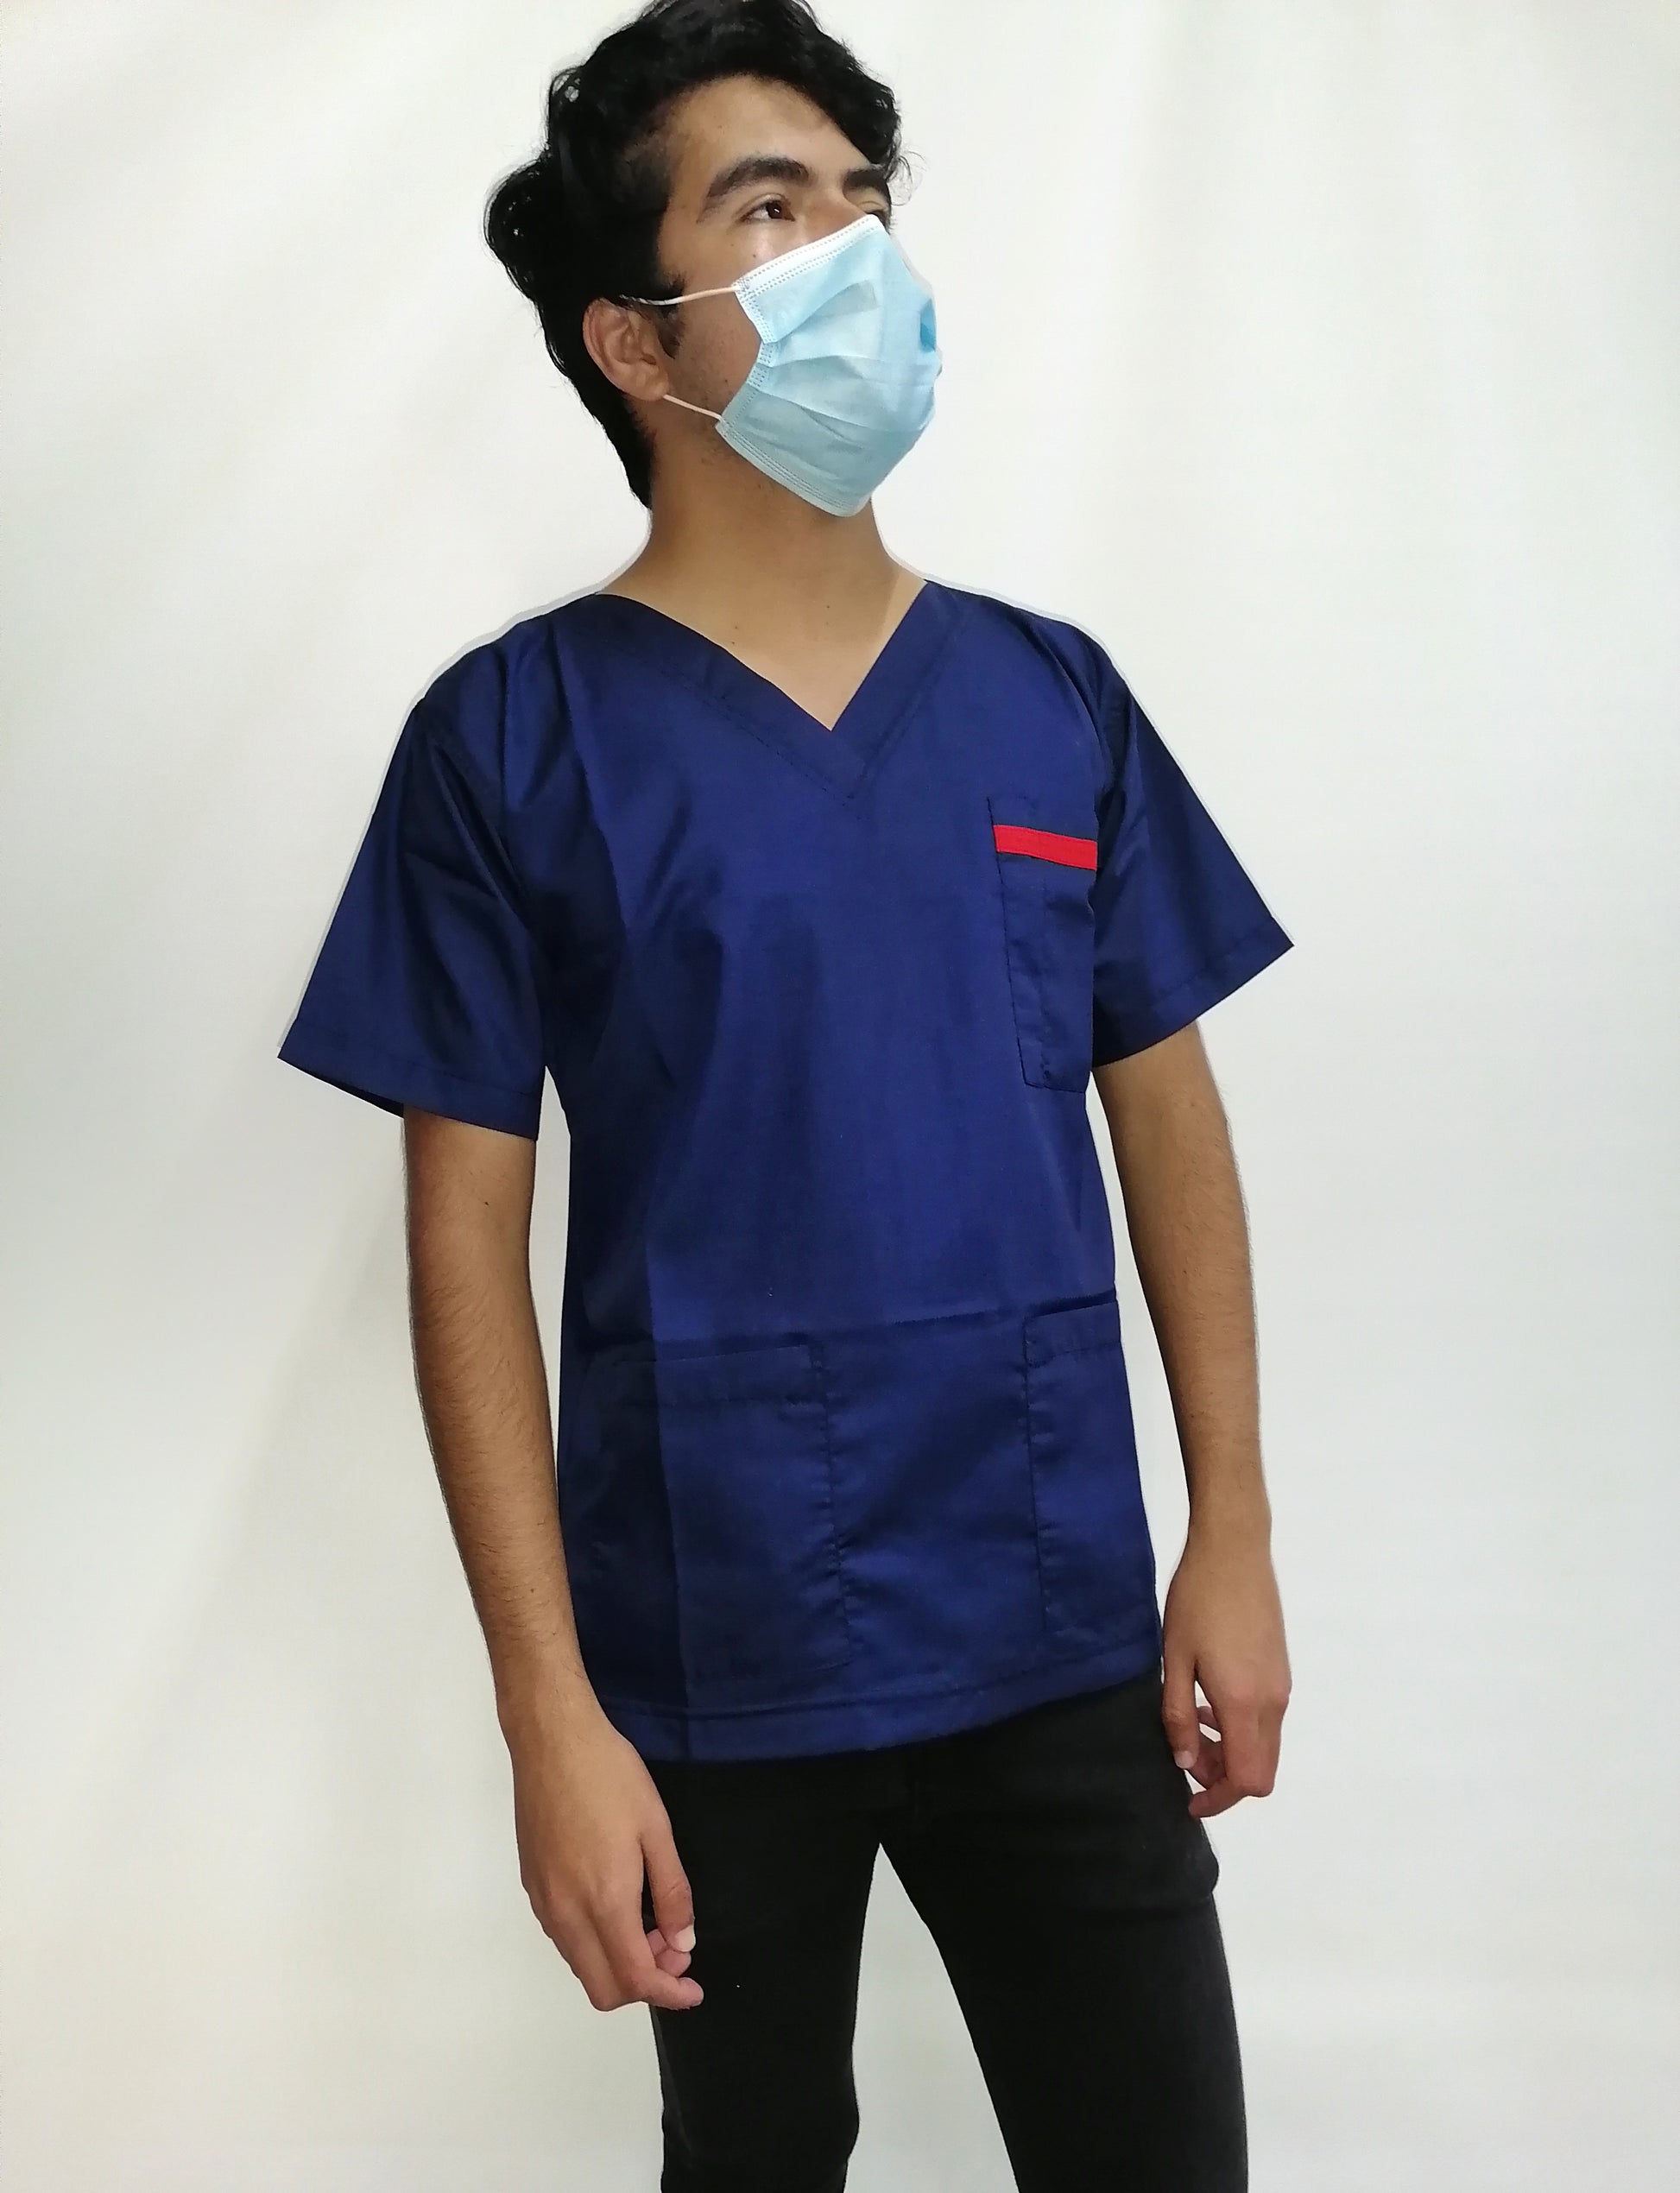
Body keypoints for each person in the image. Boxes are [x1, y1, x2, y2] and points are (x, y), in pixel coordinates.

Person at [277, 3, 1294, 2185]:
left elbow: (1169, 1120)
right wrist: (546, 1711)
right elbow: (464, 1242)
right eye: (769, 210)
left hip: (1053, 1610)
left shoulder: (1048, 702)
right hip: (707, 1649)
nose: (852, 253)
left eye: (861, 202)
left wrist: (1233, 1524)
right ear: (632, 344)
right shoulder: (510, 744)